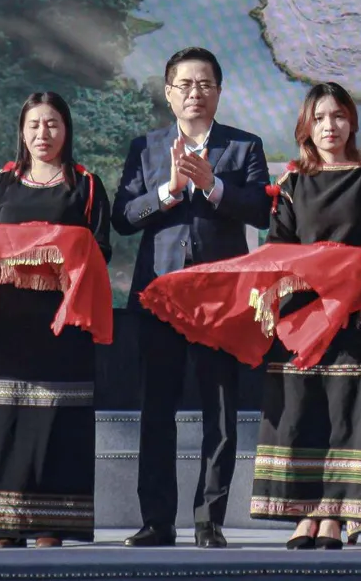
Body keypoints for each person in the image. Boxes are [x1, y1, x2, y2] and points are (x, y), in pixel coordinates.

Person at [114, 47, 271, 548]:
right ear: (168, 93)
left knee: (219, 413)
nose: (195, 93)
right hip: (159, 297)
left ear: (219, 92)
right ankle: (157, 521)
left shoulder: (244, 146)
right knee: (156, 411)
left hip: (219, 301)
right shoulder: (146, 147)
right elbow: (123, 217)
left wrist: (214, 185)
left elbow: (261, 211)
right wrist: (170, 190)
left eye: (205, 84)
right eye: (184, 84)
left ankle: (209, 520)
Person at [0, 93, 112, 547]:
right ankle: (3, 525)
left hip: (65, 318)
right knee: (6, 416)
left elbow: (101, 250)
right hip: (12, 317)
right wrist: (7, 264)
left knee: (58, 418)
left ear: (66, 130)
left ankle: (53, 524)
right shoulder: (2, 183)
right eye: (33, 125)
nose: (42, 134)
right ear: (22, 132)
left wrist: (60, 259)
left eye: (51, 124)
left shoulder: (86, 185)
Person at [255, 82, 361, 549]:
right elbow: (278, 247)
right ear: (306, 126)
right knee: (302, 411)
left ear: (352, 121)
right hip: (301, 316)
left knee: (347, 412)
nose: (329, 126)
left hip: (353, 315)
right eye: (319, 118)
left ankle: (336, 515)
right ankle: (305, 513)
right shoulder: (292, 184)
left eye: (338, 116)